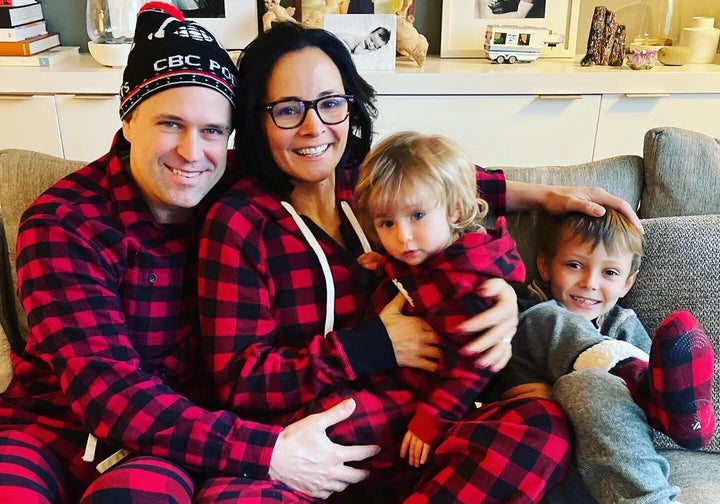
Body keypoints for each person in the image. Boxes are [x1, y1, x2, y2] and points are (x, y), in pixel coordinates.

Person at [196, 21, 642, 502]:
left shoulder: (368, 184)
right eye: (287, 110)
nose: (314, 127)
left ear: (351, 104)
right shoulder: (239, 222)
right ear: (257, 120)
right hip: (322, 445)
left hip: (421, 428)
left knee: (544, 425)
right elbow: (240, 385)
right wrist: (370, 346)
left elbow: (453, 183)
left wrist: (550, 200)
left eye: (330, 103)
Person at [0, 4, 380, 503]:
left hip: (170, 445)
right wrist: (268, 452)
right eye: (170, 124)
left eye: (212, 131)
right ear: (129, 119)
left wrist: (506, 195)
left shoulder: (236, 182)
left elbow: (390, 177)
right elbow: (108, 392)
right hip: (52, 429)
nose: (191, 151)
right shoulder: (66, 223)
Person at [499, 208, 715, 503]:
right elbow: (513, 392)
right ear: (545, 266)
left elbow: (646, 418)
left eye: (609, 272)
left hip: (613, 472)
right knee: (565, 354)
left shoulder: (623, 324)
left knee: (588, 384)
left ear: (627, 282)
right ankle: (630, 374)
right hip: (548, 464)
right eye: (574, 265)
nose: (590, 282)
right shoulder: (527, 315)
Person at [352, 131, 526, 468]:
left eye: (417, 216)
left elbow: (474, 367)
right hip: (393, 379)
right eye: (387, 223)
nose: (403, 237)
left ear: (456, 210)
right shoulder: (424, 256)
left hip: (430, 402)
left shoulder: (468, 284)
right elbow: (417, 275)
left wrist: (432, 419)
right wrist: (385, 265)